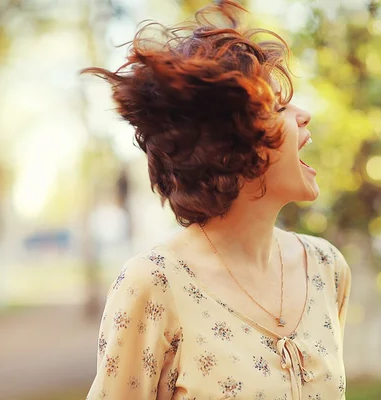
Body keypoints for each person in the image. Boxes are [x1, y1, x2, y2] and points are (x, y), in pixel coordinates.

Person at [83, 1, 351, 399]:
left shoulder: (327, 268)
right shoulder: (154, 283)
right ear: (232, 142)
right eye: (278, 106)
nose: (304, 114)